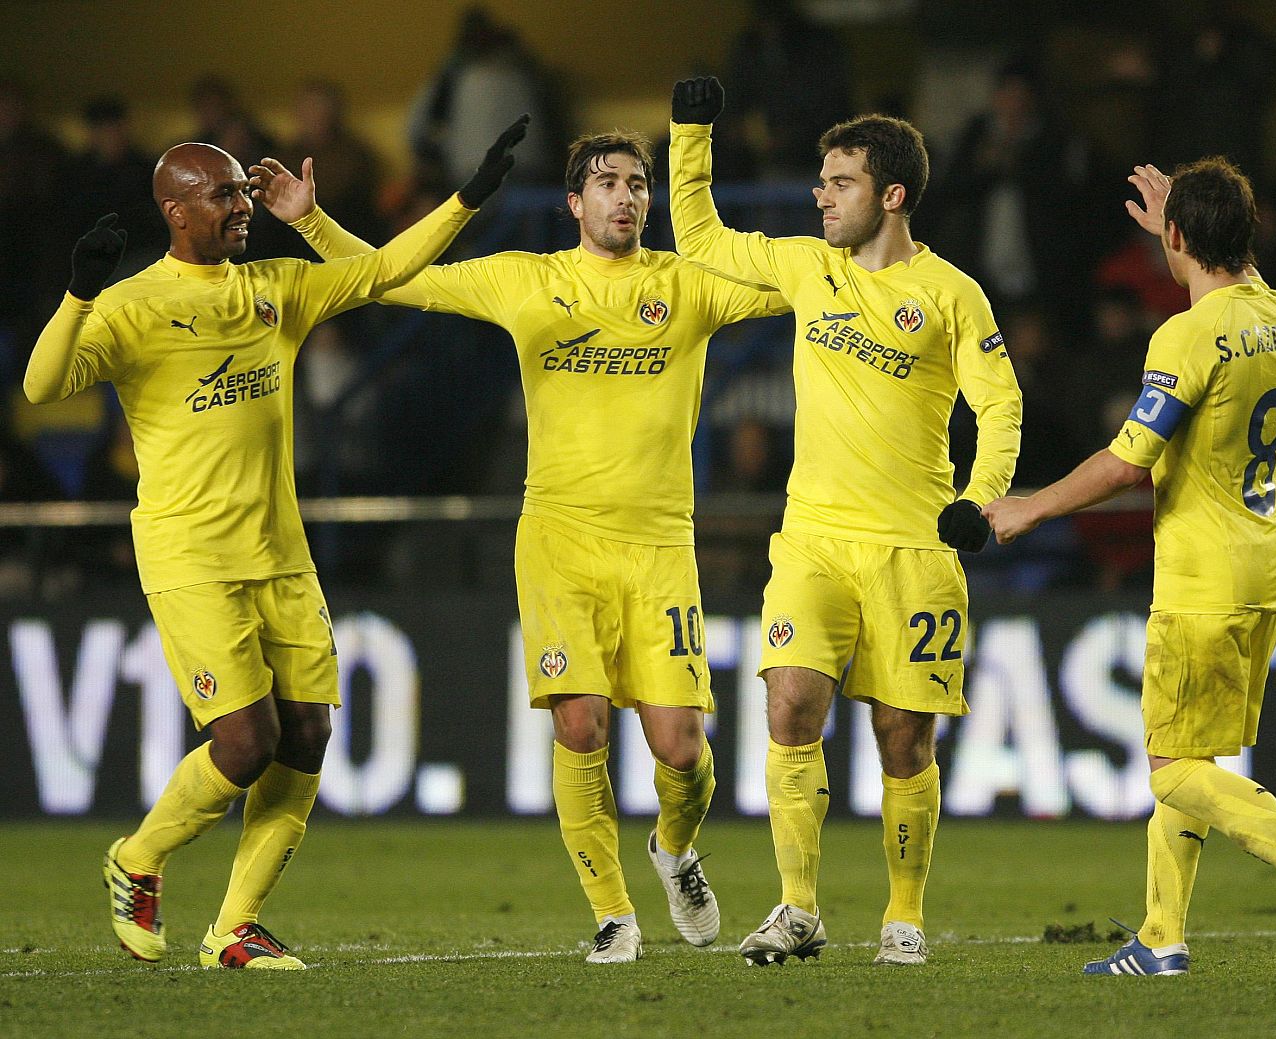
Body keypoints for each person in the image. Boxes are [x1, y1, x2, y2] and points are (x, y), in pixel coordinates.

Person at [253, 130, 789, 964]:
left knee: (681, 747)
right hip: (559, 541)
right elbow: (398, 280)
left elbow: (798, 286)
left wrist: (863, 236)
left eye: (638, 184)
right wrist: (313, 220)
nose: (626, 197)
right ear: (574, 203)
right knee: (581, 726)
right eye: (607, 183)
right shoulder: (527, 279)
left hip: (659, 548)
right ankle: (613, 914)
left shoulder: (689, 286)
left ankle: (674, 850)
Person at [23, 119, 528, 968]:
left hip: (282, 556)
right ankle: (138, 857)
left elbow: (381, 271)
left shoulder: (275, 288)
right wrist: (78, 295)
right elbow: (40, 386)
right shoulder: (132, 307)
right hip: (191, 557)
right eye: (224, 193)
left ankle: (234, 927)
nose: (243, 204)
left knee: (307, 737)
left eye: (244, 190)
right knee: (245, 745)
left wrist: (467, 199)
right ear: (177, 211)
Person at [983, 159, 1276, 978]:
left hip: (1204, 575)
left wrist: (1028, 506)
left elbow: (1130, 463)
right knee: (1193, 761)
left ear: (1175, 238)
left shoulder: (1184, 334)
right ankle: (1161, 935)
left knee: (1172, 773)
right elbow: (1236, 272)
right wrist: (1194, 219)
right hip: (1270, 562)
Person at [669, 77, 1023, 967]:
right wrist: (689, 132)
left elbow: (1001, 403)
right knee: (788, 702)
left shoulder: (951, 294)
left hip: (914, 549)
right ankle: (797, 908)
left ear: (892, 194)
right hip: (813, 540)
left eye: (840, 182)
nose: (820, 196)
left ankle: (903, 916)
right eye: (821, 182)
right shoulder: (805, 266)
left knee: (904, 738)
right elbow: (702, 236)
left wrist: (978, 500)